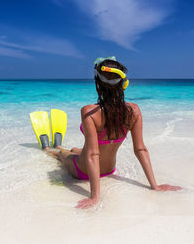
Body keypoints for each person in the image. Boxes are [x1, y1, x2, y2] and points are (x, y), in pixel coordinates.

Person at [48, 56, 181, 209]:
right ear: (123, 84)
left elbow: (93, 155)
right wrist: (155, 185)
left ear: (97, 83)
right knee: (77, 150)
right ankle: (63, 148)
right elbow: (140, 149)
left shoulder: (89, 112)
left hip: (84, 171)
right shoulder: (134, 111)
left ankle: (51, 148)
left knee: (63, 155)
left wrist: (94, 197)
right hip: (110, 169)